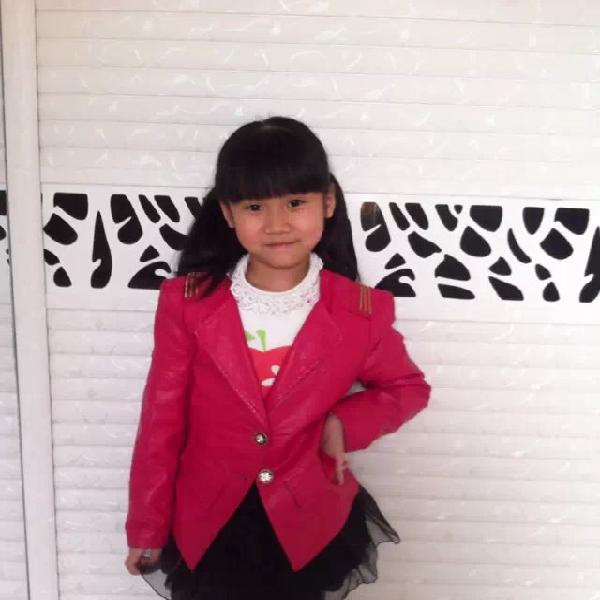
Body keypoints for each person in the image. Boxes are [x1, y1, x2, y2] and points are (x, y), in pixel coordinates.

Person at [124, 116, 431, 600]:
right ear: (228, 214)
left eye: (295, 203)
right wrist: (147, 523)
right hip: (210, 522)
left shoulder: (360, 312)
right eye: (254, 206)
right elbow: (161, 422)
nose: (276, 224)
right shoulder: (188, 304)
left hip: (307, 519)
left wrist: (342, 424)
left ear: (327, 202)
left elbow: (407, 388)